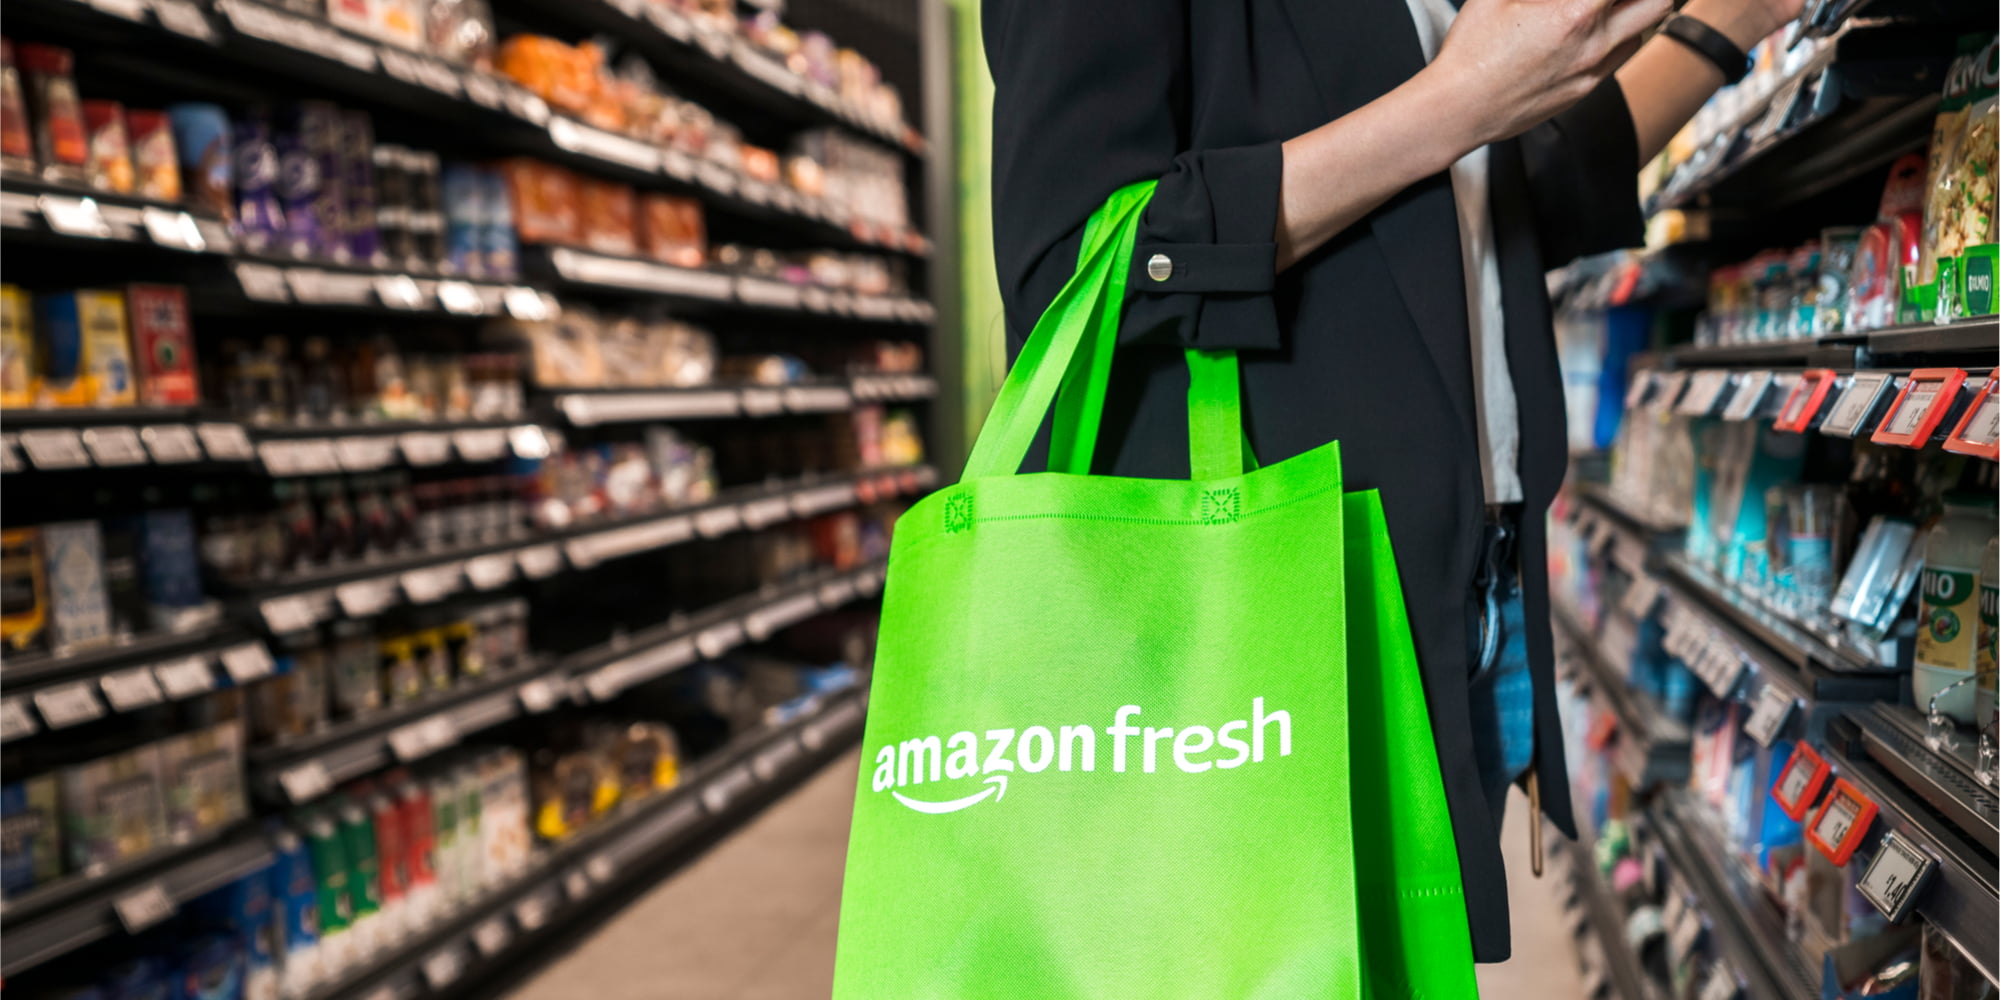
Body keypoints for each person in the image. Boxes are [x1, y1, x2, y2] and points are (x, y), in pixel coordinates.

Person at [983, 0, 1802, 963]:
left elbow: (1472, 205)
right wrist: (1459, 99)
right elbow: (1074, 266)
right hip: (1266, 600)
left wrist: (1721, 26)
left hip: (1467, 572)